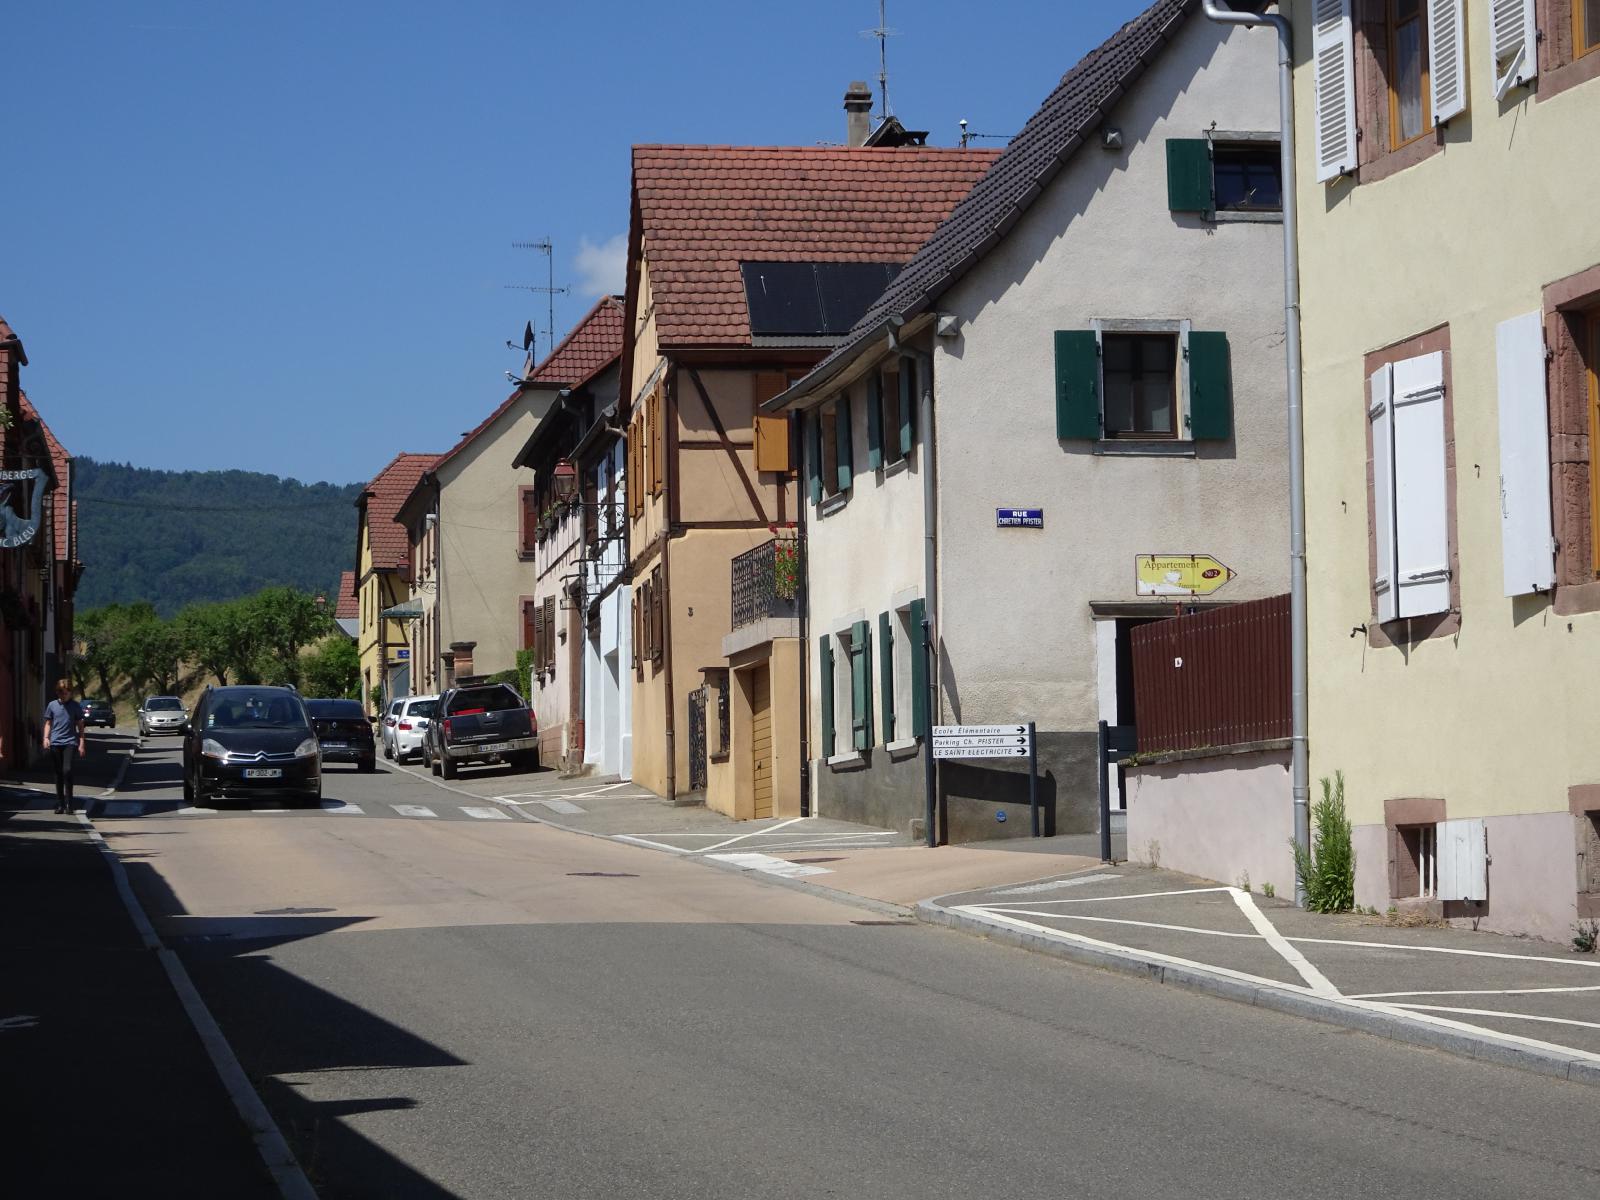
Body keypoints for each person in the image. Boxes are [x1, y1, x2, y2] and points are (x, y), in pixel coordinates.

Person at [42, 679, 86, 815]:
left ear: (70, 693)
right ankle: (61, 804)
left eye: (66, 693)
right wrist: (46, 738)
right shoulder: (52, 705)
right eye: (61, 693)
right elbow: (48, 723)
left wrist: (82, 743)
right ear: (57, 692)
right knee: (58, 773)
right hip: (55, 742)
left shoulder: (75, 706)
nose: (64, 695)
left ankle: (69, 803)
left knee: (67, 770)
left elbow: (80, 725)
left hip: (70, 742)